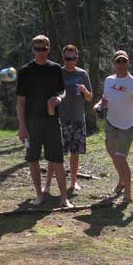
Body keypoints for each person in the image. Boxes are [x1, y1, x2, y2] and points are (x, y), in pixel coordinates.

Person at [16, 34, 73, 208]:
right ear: (33, 50)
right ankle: (39, 195)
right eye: (38, 49)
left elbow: (63, 91)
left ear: (49, 49)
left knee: (57, 159)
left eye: (44, 49)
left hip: (51, 120)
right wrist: (22, 126)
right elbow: (20, 102)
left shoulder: (55, 69)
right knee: (33, 158)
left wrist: (59, 99)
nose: (41, 52)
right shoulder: (25, 71)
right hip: (32, 122)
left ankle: (64, 198)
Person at [93, 50, 133, 203]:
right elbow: (105, 99)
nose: (121, 64)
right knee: (114, 156)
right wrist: (98, 105)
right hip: (111, 124)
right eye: (118, 61)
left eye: (124, 61)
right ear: (113, 63)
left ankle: (128, 194)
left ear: (128, 63)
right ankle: (121, 180)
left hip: (127, 126)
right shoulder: (109, 81)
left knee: (120, 159)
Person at [43, 44, 93, 193]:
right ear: (63, 58)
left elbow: (90, 98)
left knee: (75, 152)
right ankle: (47, 184)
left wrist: (84, 90)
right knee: (55, 153)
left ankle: (73, 182)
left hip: (78, 118)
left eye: (73, 58)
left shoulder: (83, 74)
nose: (70, 61)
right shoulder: (58, 73)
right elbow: (49, 95)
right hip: (60, 119)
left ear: (77, 58)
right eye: (67, 58)